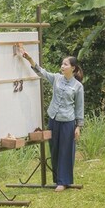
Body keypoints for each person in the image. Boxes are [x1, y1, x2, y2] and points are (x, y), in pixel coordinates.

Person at [18, 46, 84, 191]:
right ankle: (58, 179)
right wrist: (29, 58)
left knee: (66, 150)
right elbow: (41, 72)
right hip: (54, 119)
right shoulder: (56, 78)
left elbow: (79, 107)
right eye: (62, 63)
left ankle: (63, 181)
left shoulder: (78, 86)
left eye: (65, 64)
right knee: (54, 149)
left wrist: (78, 126)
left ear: (72, 68)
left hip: (68, 122)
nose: (62, 66)